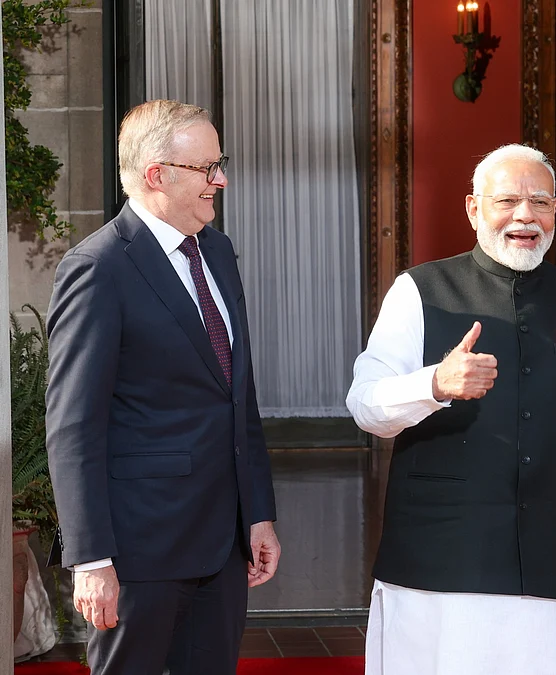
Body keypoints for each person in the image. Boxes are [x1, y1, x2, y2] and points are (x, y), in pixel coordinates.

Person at [346, 143, 556, 675]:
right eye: (507, 201)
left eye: (540, 202)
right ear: (474, 209)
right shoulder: (419, 292)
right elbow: (366, 406)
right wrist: (434, 383)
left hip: (552, 570)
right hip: (436, 567)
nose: (525, 215)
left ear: (554, 212)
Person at [45, 99, 281, 675]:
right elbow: (74, 426)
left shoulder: (219, 252)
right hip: (138, 550)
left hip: (222, 544)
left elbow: (236, 396)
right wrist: (91, 559)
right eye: (208, 167)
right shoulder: (98, 267)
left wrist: (258, 513)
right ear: (157, 175)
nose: (220, 179)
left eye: (219, 164)